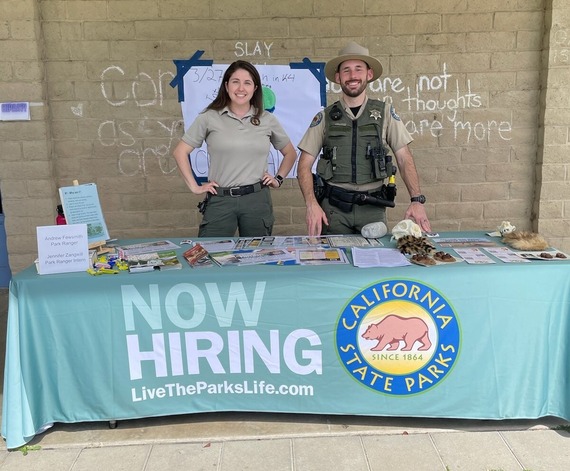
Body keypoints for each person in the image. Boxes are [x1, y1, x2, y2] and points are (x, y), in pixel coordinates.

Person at [297, 42, 431, 236]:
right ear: (338, 77)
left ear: (369, 74)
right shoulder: (324, 117)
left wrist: (416, 200)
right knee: (335, 263)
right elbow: (304, 165)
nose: (352, 76)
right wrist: (311, 204)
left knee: (375, 264)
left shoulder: (385, 112)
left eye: (358, 69)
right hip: (333, 210)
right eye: (346, 70)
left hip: (373, 210)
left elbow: (404, 157)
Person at [173, 60, 298, 237]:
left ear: (255, 88)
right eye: (235, 81)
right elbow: (180, 152)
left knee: (258, 256)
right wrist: (195, 187)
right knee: (211, 254)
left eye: (247, 83)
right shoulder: (209, 117)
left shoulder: (266, 119)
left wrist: (278, 178)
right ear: (226, 85)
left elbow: (290, 153)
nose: (241, 88)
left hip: (256, 199)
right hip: (221, 199)